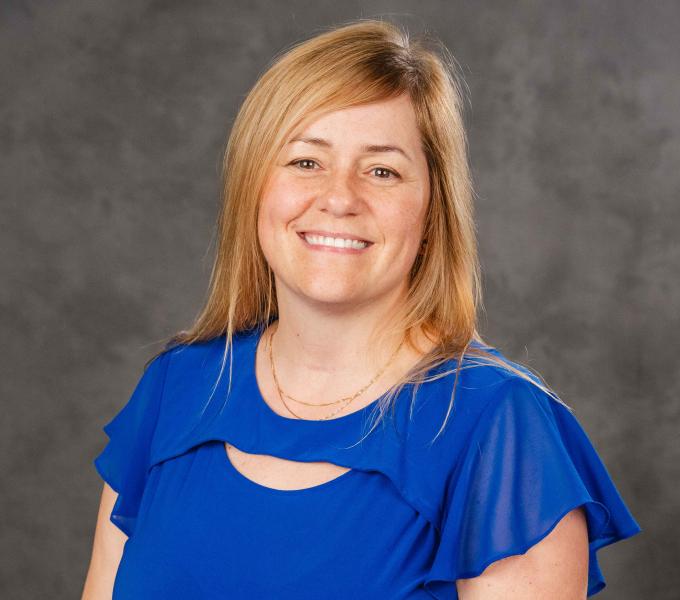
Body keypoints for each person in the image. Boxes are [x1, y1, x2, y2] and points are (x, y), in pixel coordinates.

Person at [81, 18, 641, 599]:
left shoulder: (499, 427)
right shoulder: (178, 387)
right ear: (254, 188)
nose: (340, 198)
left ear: (431, 214)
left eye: (382, 171)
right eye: (305, 161)